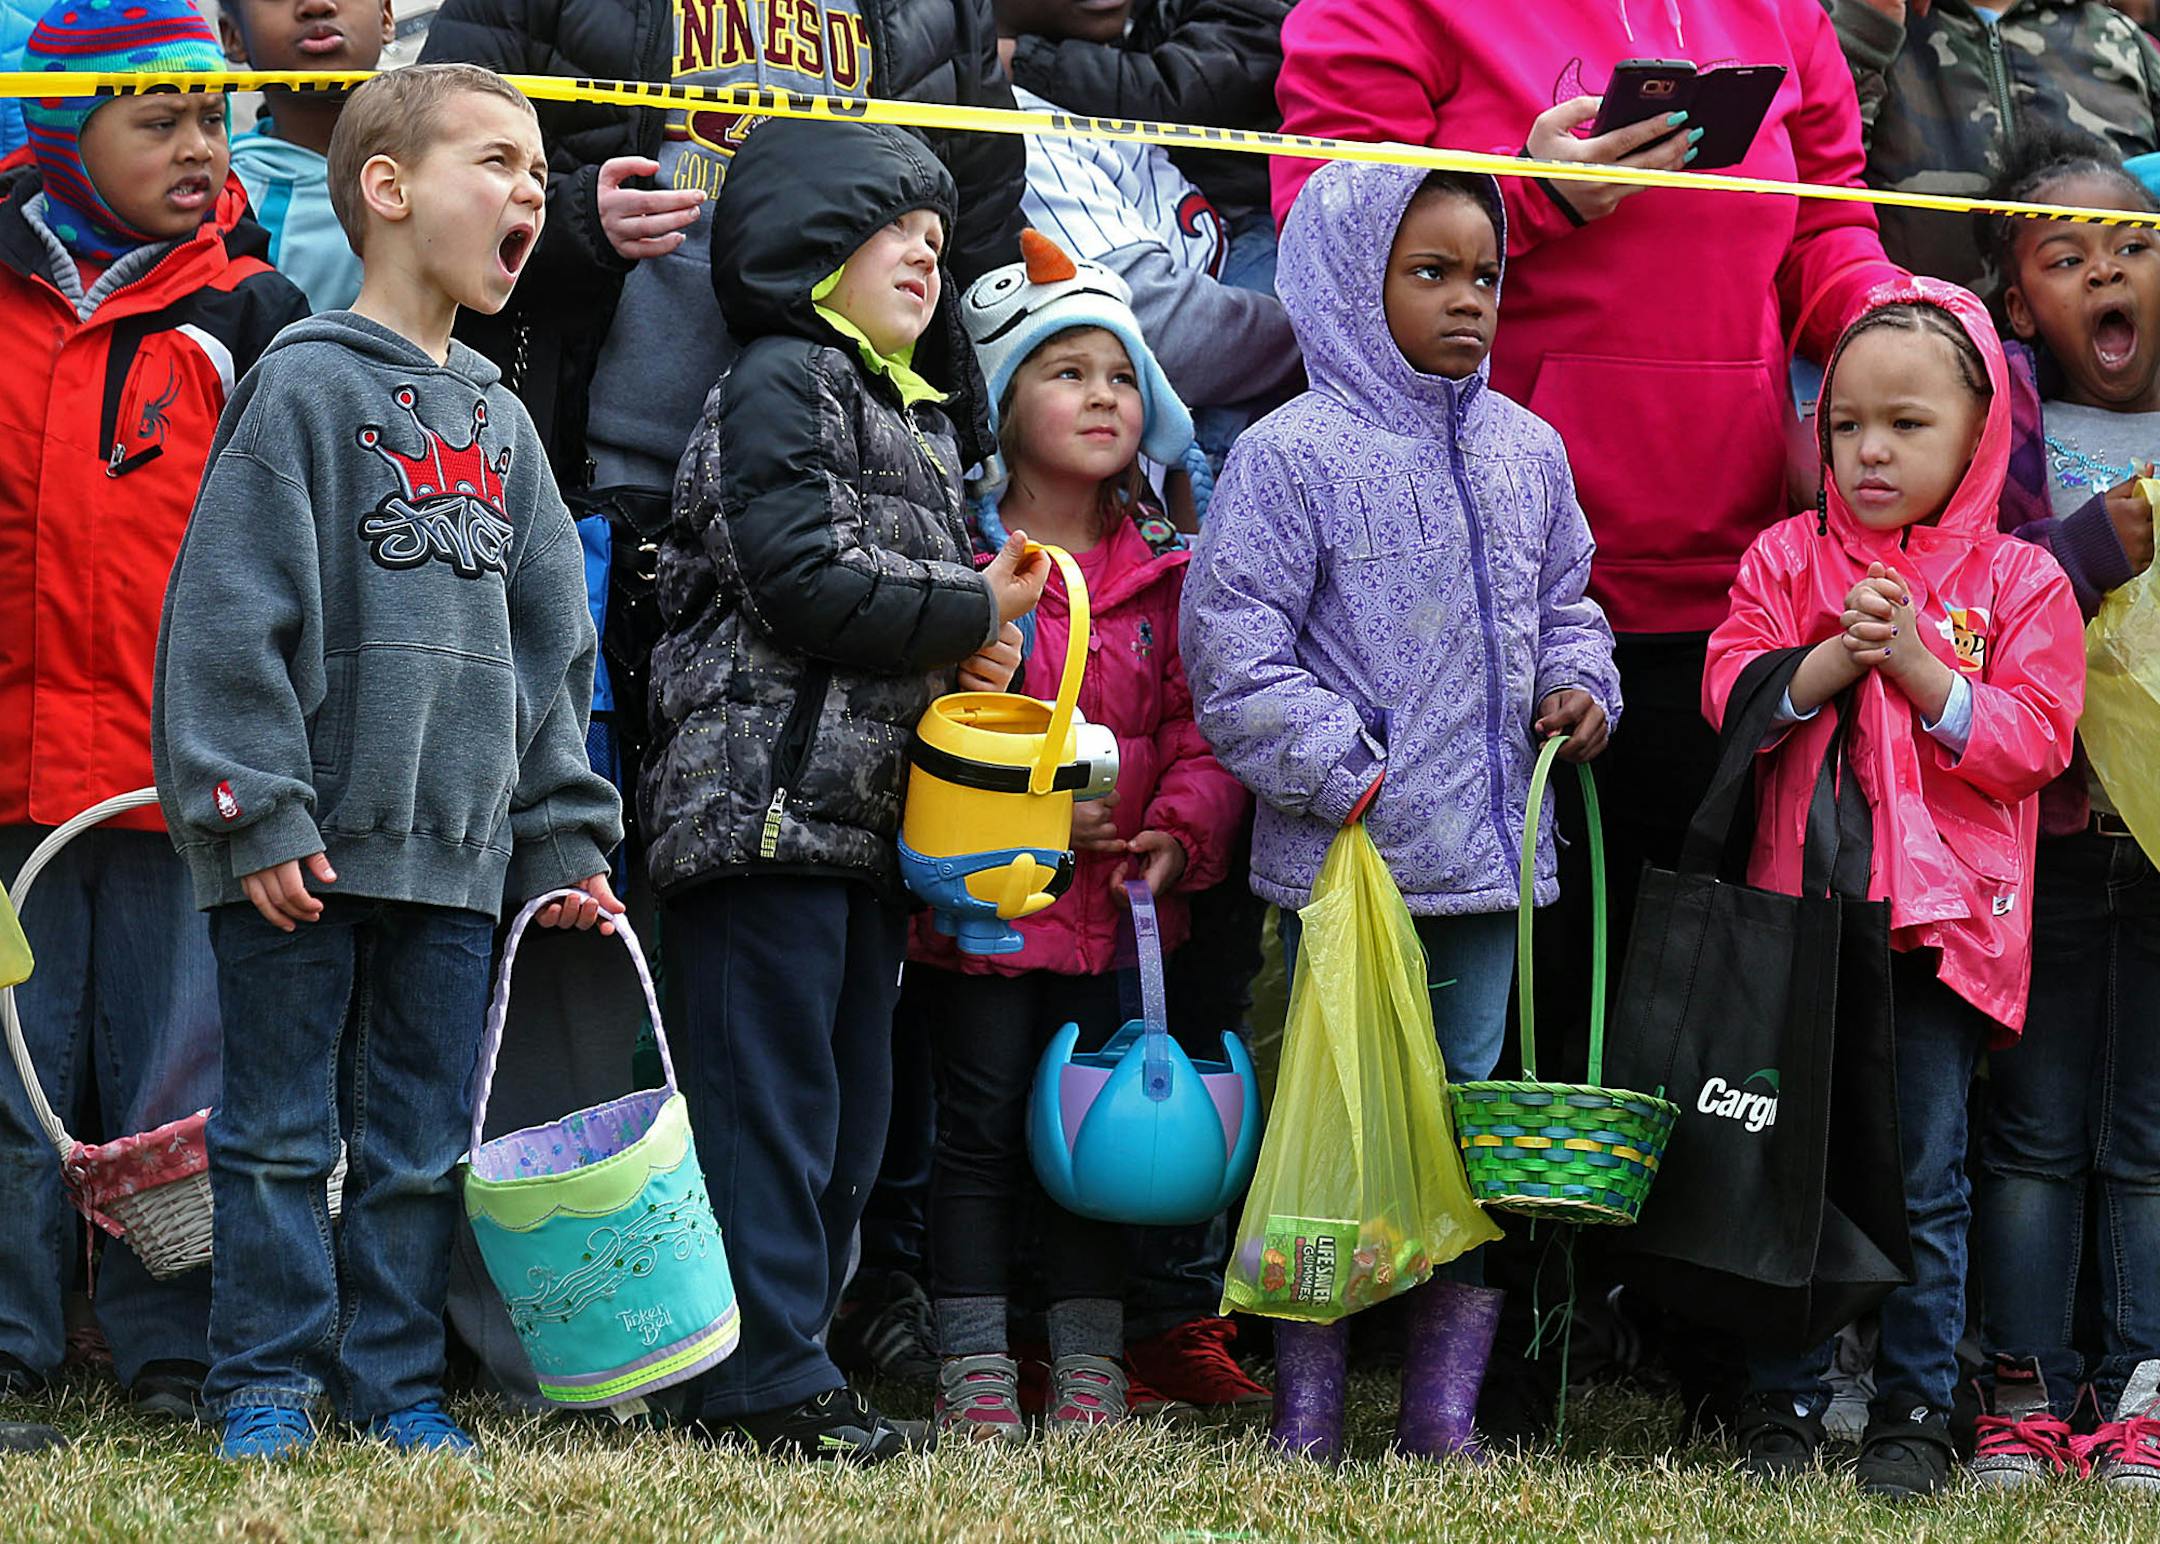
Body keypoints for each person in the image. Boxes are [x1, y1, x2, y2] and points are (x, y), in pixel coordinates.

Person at [150, 63, 626, 1462]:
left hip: (456, 864)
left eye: (540, 171)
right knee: (281, 1139)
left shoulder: (506, 425)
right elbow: (226, 616)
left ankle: (394, 1386)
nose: (532, 190)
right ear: (388, 188)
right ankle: (268, 1383)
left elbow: (556, 660)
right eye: (499, 161)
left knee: (420, 1150)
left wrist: (561, 846)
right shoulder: (299, 390)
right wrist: (258, 810)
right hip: (298, 855)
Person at [1183, 161, 1620, 1461]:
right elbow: (1232, 649)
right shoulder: (1287, 456)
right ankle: (1308, 1403)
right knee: (1336, 1131)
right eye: (1430, 273)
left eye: (1485, 275)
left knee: (1465, 1125)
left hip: (1489, 869)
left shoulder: (1527, 450)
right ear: (1345, 280)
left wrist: (1578, 684)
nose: (1469, 301)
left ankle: (1439, 1408)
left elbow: (1568, 605)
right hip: (1348, 866)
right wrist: (1338, 769)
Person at [638, 115, 1050, 1464]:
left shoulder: (918, 417)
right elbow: (803, 580)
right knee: (771, 1110)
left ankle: (789, 1360)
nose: (929, 259)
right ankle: (756, 1376)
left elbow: (914, 611)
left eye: (941, 240)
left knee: (850, 1122)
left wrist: (978, 634)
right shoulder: (781, 380)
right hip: (759, 815)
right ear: (810, 246)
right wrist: (959, 605)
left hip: (857, 829)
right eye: (899, 234)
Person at [1704, 280, 2085, 1499]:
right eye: (1847, 422)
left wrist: (1920, 666)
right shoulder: (1783, 555)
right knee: (1791, 1164)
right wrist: (1825, 658)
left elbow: (2036, 739)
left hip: (1936, 938)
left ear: (1981, 436)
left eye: (1907, 424)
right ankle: (1788, 1392)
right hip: (1801, 927)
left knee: (1924, 1172)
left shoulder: (2023, 582)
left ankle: (1918, 1404)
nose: (1870, 448)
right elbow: (1729, 689)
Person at [0, 0, 307, 1425]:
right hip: (11, 779)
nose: (201, 150)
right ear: (61, 128)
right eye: (158, 121)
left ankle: (174, 1342)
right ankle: (13, 1335)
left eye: (212, 116)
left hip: (181, 781)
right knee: (15, 1071)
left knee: (179, 1077)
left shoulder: (252, 317)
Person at [914, 230, 1249, 1440]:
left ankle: (1091, 1365)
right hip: (991, 912)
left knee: (1094, 1143)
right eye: (1066, 373)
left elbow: (1205, 732)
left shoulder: (1172, 570)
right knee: (982, 1133)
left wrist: (1177, 831)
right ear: (1002, 407)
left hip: (1125, 922)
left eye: (1121, 374)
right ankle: (976, 1363)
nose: (1103, 395)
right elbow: (940, 735)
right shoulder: (965, 570)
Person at [1961, 132, 2160, 1490]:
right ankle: (2023, 1383)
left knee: (2150, 1133)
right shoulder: (1999, 428)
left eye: (2140, 245)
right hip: (2038, 833)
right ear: (2019, 300)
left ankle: (2143, 1382)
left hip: (2155, 848)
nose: (2111, 269)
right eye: (2069, 253)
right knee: (2030, 1132)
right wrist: (2087, 553)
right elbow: (1957, 592)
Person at [1828, 0, 2160, 294]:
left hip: (2107, 351)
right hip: (1918, 349)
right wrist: (1867, 26)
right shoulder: (1848, 19)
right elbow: (1814, 188)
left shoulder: (2119, 40)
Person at [999, 0, 1291, 286]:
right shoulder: (1021, 132)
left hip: (1253, 217)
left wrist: (1026, 60)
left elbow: (1182, 89)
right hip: (1203, 252)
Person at [221, 0, 398, 312]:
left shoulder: (459, 170)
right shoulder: (221, 205)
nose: (317, 5)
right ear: (233, 36)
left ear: (385, 14)